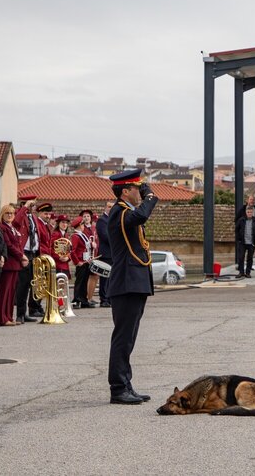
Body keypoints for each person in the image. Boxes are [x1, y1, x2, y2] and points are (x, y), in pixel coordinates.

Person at [106, 170, 158, 405]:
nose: (140, 192)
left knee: (129, 338)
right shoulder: (119, 212)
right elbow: (140, 216)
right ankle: (118, 388)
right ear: (125, 191)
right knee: (123, 338)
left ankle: (126, 384)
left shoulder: (126, 212)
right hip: (126, 283)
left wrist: (145, 196)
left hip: (134, 282)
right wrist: (150, 197)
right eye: (137, 189)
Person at [0, 205, 25, 326]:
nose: (10, 215)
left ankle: (9, 316)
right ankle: (2, 318)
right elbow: (8, 245)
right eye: (7, 213)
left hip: (15, 263)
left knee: (11, 292)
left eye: (12, 213)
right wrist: (21, 256)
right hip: (8, 263)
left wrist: (22, 256)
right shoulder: (2, 227)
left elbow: (18, 244)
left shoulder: (12, 227)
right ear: (2, 214)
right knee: (4, 291)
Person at [70, 217, 96, 307]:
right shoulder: (75, 236)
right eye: (82, 224)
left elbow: (85, 247)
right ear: (79, 225)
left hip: (86, 261)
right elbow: (72, 251)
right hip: (81, 262)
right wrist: (77, 262)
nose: (83, 226)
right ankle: (76, 300)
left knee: (84, 282)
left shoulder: (82, 235)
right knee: (79, 282)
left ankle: (84, 300)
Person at [234, 206, 255, 278]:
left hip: (252, 242)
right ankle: (241, 272)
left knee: (250, 258)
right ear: (246, 212)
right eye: (248, 212)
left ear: (253, 213)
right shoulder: (241, 220)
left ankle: (248, 272)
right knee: (241, 257)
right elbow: (236, 230)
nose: (249, 213)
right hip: (242, 242)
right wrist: (238, 239)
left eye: (251, 212)